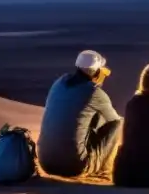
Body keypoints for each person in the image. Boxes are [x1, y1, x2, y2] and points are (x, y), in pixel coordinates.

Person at [37, 50, 122, 179]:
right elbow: (113, 119)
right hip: (74, 167)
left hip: (46, 163)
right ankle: (104, 167)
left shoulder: (59, 83)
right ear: (97, 71)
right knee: (116, 123)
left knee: (90, 115)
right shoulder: (94, 92)